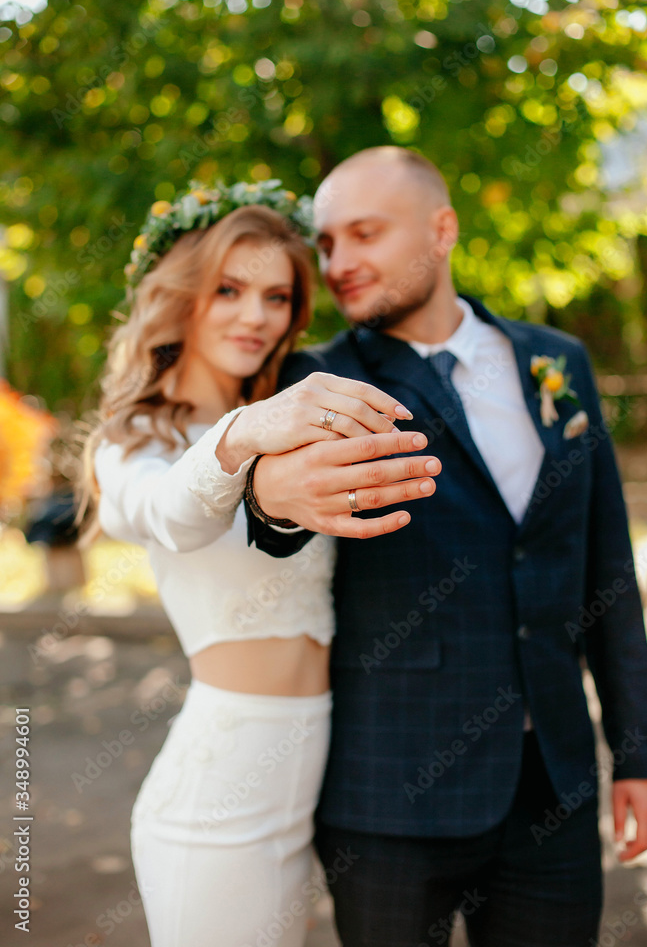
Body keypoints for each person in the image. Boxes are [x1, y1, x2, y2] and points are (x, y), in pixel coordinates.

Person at [240, 148, 647, 947]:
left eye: (364, 233)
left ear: (441, 231)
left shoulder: (556, 362)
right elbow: (273, 523)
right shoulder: (314, 381)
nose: (337, 263)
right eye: (326, 243)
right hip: (389, 798)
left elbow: (603, 565)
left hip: (554, 789)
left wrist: (640, 754)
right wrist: (270, 498)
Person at [76, 179, 441, 947]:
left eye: (276, 297)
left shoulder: (292, 432)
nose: (255, 316)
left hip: (304, 791)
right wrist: (241, 433)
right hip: (215, 804)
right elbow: (165, 513)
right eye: (228, 290)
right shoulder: (135, 442)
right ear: (181, 296)